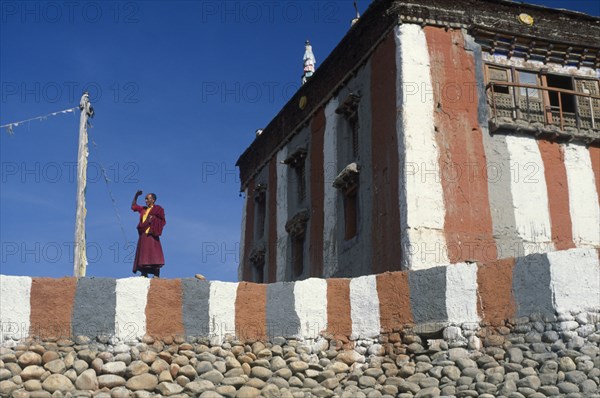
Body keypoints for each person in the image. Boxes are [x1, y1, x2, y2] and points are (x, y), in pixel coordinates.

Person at [131, 190, 166, 277]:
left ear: (153, 200)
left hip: (152, 234)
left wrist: (153, 219)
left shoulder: (158, 209)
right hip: (144, 235)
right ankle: (144, 273)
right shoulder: (143, 209)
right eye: (145, 199)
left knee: (154, 254)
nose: (146, 201)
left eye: (147, 199)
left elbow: (162, 221)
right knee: (143, 254)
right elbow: (133, 206)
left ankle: (156, 274)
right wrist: (136, 195)